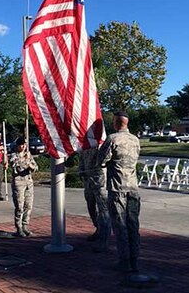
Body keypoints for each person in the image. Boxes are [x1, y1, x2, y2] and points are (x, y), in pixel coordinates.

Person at [98, 111, 141, 274]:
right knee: (133, 225)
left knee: (121, 226)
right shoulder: (135, 140)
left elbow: (101, 160)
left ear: (117, 123)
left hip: (118, 189)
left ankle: (125, 262)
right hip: (133, 188)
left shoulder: (112, 139)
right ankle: (135, 260)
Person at [79, 147, 110, 252]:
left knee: (104, 211)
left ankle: (104, 239)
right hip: (88, 182)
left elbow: (106, 161)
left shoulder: (102, 145)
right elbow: (82, 161)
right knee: (91, 208)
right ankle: (98, 228)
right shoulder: (85, 146)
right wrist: (81, 170)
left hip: (100, 183)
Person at [9, 137, 38, 237]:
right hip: (19, 183)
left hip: (28, 182)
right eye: (21, 145)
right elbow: (18, 167)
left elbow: (35, 167)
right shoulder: (14, 156)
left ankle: (25, 225)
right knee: (19, 206)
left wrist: (29, 163)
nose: (23, 146)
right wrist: (27, 162)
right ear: (17, 146)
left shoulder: (28, 155)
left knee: (28, 205)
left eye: (24, 144)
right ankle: (19, 227)